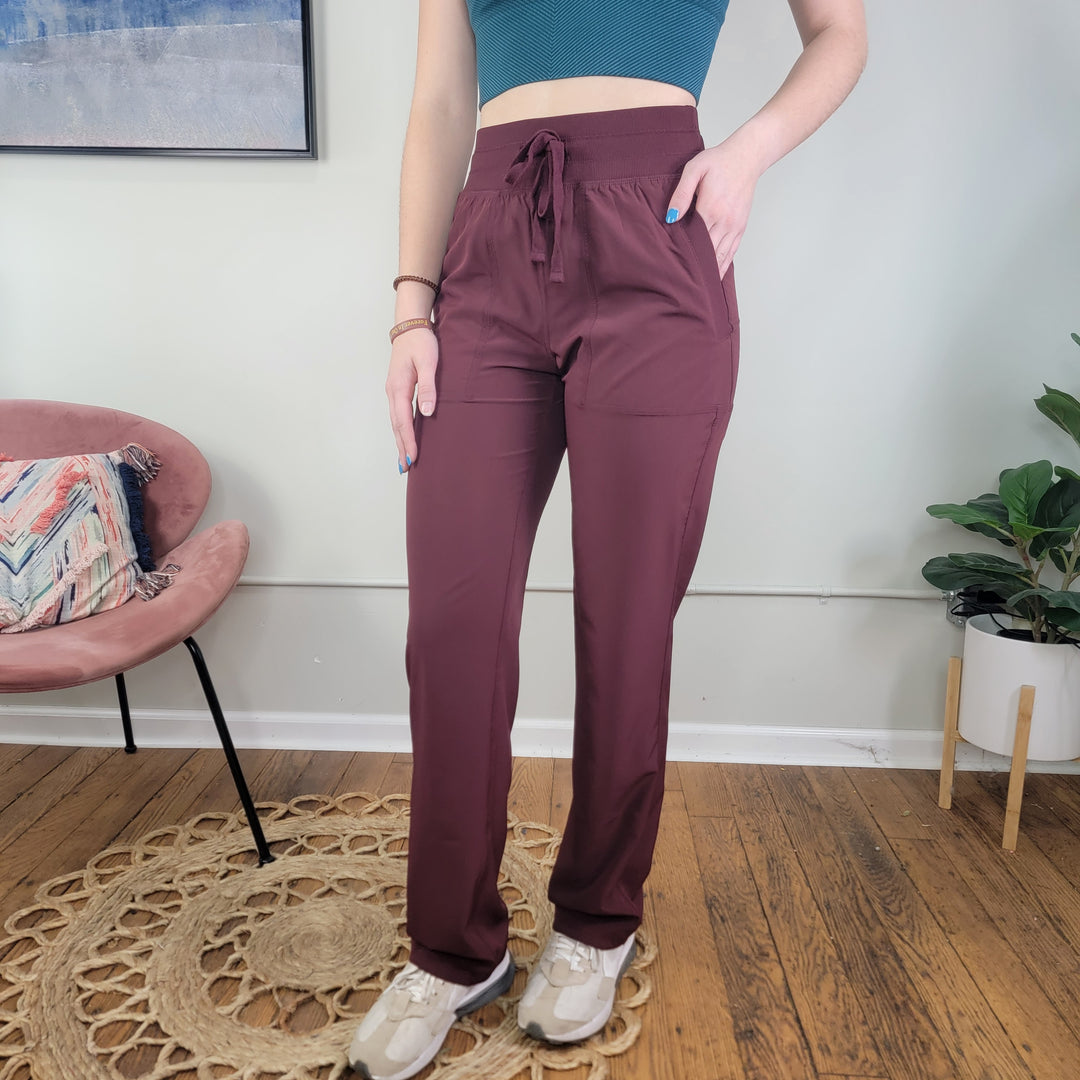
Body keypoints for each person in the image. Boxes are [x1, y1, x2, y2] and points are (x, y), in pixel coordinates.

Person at [350, 1, 867, 1077]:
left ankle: (595, 920)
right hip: (488, 237)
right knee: (450, 626)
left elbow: (842, 32)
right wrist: (410, 308)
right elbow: (440, 102)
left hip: (659, 228)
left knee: (626, 616)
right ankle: (452, 949)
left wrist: (746, 154)